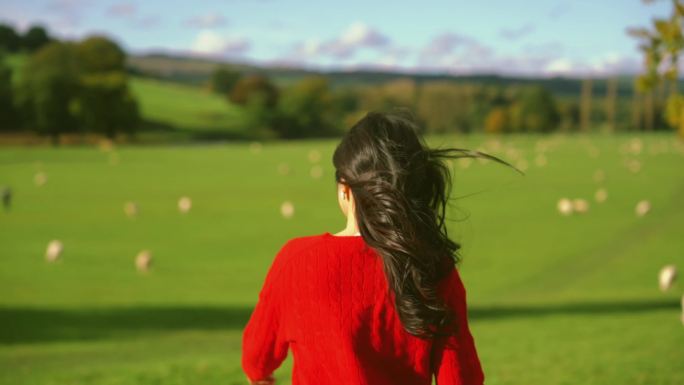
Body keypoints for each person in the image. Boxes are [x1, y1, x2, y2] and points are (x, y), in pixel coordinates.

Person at [242, 110, 518, 385]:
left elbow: (256, 361)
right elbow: (460, 378)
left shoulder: (297, 260)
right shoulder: (434, 267)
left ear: (344, 188)